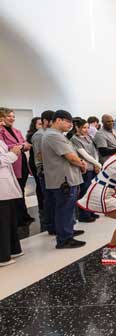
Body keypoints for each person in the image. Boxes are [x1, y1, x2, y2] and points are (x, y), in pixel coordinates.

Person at [42, 110, 87, 249]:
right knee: (64, 209)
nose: (71, 125)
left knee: (67, 208)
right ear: (58, 120)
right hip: (63, 180)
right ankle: (64, 239)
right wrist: (82, 164)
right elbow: (70, 156)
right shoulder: (53, 136)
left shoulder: (58, 135)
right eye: (68, 122)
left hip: (67, 178)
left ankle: (68, 230)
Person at [0, 108, 33, 226]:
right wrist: (21, 146)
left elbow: (24, 143)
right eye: (9, 116)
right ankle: (18, 218)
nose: (12, 118)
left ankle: (23, 215)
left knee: (21, 190)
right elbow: (6, 147)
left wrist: (21, 146)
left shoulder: (17, 130)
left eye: (13, 116)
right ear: (1, 118)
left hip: (22, 162)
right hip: (11, 164)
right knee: (15, 191)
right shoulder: (1, 131)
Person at [0, 110, 23, 267]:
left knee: (10, 219)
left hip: (6, 183)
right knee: (2, 221)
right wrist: (14, 153)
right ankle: (3, 256)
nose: (3, 123)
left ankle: (14, 248)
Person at [70, 118, 102, 223]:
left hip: (93, 168)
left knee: (92, 191)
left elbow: (95, 151)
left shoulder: (89, 137)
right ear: (77, 127)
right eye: (84, 127)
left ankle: (91, 211)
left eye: (88, 127)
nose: (86, 130)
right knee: (84, 191)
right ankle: (84, 214)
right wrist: (97, 164)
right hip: (85, 169)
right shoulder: (75, 139)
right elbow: (84, 155)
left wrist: (97, 164)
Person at [32, 110, 55, 232]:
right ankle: (50, 226)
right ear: (46, 121)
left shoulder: (50, 133)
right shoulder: (39, 135)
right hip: (45, 171)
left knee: (54, 199)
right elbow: (40, 155)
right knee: (49, 199)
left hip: (52, 170)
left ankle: (55, 224)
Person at [26, 117, 44, 228]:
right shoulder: (34, 136)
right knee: (39, 185)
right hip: (35, 162)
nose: (41, 126)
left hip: (36, 161)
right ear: (34, 125)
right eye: (39, 124)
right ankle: (41, 207)